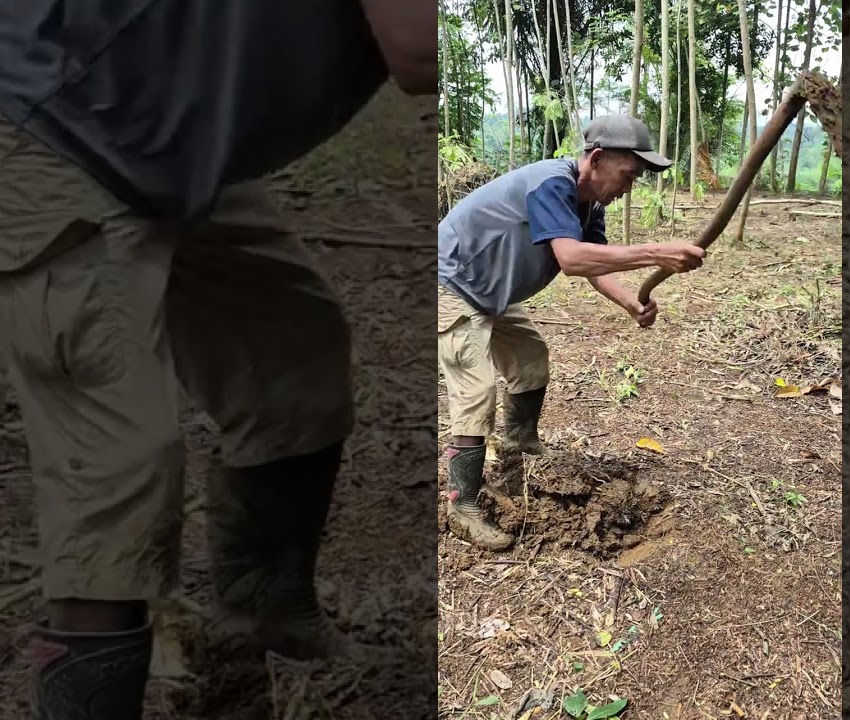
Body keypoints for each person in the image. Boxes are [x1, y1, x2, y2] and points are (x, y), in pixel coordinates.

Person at [0, 1, 434, 717]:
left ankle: (263, 632)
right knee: (115, 461)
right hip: (48, 118)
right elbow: (419, 43)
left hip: (158, 132)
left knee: (290, 351)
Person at [438, 115, 707, 550]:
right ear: (596, 158)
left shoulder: (590, 204)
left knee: (529, 359)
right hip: (451, 284)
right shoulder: (551, 183)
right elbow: (572, 259)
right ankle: (462, 504)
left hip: (492, 292)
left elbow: (595, 261)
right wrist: (656, 251)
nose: (628, 188)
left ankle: (518, 443)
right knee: (476, 390)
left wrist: (630, 302)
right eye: (628, 175)